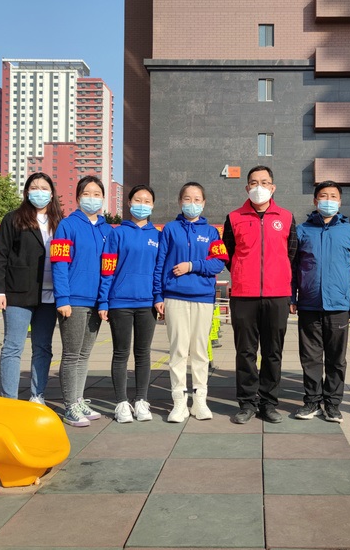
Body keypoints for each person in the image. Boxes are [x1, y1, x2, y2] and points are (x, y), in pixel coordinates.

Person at [222, 165, 297, 424]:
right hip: (244, 294)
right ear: (247, 187)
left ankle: (268, 403)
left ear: (273, 187)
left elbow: (291, 253)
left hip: (277, 295)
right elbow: (229, 254)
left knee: (273, 352)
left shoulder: (286, 217)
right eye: (254, 183)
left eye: (264, 182)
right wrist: (244, 272)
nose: (259, 187)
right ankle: (247, 403)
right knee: (245, 352)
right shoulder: (234, 218)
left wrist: (277, 275)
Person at [154, 182, 227, 422]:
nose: (192, 203)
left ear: (203, 203)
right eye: (187, 199)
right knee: (178, 350)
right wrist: (158, 295)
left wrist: (192, 266)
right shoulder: (170, 229)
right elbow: (160, 264)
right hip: (174, 296)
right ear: (180, 201)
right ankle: (179, 402)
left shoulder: (212, 232)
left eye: (197, 199)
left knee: (199, 351)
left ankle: (200, 401)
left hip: (203, 298)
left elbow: (218, 263)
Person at [291, 180, 350, 423]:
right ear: (315, 201)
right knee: (310, 358)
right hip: (309, 304)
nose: (328, 200)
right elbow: (293, 268)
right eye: (323, 196)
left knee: (336, 359)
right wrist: (292, 296)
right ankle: (312, 401)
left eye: (333, 196)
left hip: (339, 306)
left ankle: (332, 404)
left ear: (340, 202)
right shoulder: (302, 230)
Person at [0, 172, 64, 402]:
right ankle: (9, 399)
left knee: (43, 347)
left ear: (52, 193)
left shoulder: (60, 222)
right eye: (34, 188)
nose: (39, 192)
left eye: (44, 188)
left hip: (49, 295)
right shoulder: (13, 219)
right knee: (13, 347)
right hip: (17, 293)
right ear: (27, 192)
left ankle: (37, 395)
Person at [51, 175, 113, 427]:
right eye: (86, 193)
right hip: (73, 301)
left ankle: (78, 399)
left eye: (97, 194)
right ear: (78, 197)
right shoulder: (67, 226)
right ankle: (69, 406)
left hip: (96, 302)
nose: (92, 198)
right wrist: (62, 298)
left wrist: (104, 301)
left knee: (85, 355)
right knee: (71, 355)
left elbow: (109, 269)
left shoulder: (107, 230)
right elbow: (59, 264)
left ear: (103, 198)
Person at [104, 185, 160, 423]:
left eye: (147, 201)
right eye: (137, 200)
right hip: (120, 303)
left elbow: (159, 271)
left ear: (153, 205)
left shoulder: (157, 236)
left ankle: (141, 400)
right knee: (121, 353)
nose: (142, 204)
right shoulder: (117, 233)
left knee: (143, 353)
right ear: (128, 203)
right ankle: (121, 403)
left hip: (147, 303)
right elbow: (107, 269)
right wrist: (104, 301)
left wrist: (158, 297)